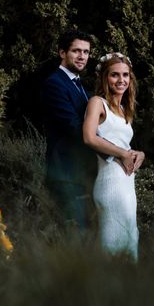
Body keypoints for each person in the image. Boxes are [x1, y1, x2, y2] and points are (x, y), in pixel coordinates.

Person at [83, 52, 144, 261]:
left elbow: (123, 144)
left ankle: (127, 291)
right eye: (114, 75)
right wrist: (122, 154)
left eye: (125, 75)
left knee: (130, 241)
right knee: (111, 245)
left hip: (128, 184)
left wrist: (139, 154)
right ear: (104, 78)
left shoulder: (125, 109)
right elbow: (89, 138)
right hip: (111, 183)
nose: (121, 80)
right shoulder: (97, 103)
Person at [41, 30, 99, 229]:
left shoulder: (81, 87)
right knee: (74, 236)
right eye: (76, 51)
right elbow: (74, 127)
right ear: (62, 52)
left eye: (86, 52)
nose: (82, 56)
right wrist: (112, 148)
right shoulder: (54, 84)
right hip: (65, 174)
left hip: (83, 174)